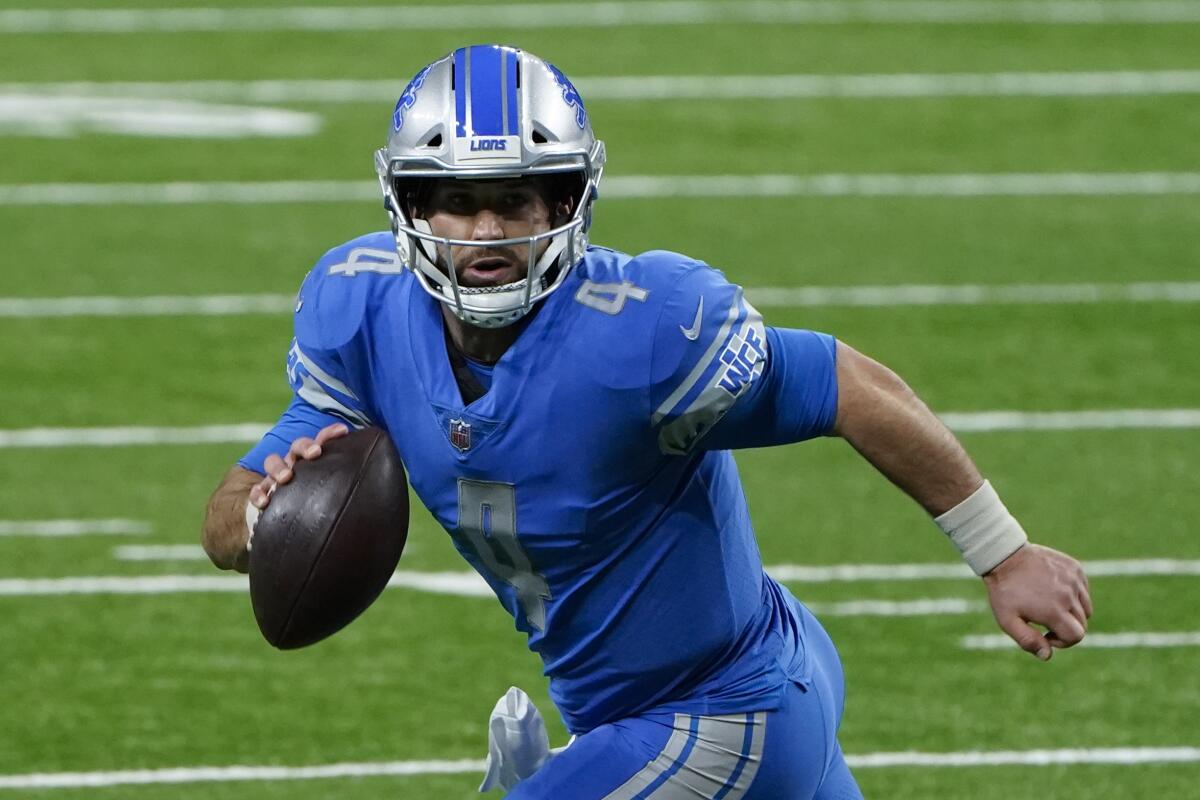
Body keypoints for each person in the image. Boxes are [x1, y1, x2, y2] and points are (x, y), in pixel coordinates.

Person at [202, 45, 1092, 799]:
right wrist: (260, 518)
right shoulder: (357, 310)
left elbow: (848, 386)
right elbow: (233, 510)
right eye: (458, 200)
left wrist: (1002, 552)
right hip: (656, 706)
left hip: (728, 706)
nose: (485, 231)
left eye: (516, 201)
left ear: (562, 205)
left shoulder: (645, 328)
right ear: (410, 208)